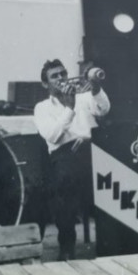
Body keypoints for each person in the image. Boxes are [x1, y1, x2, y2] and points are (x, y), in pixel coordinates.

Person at [33, 60, 110, 260]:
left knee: (117, 173)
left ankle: (128, 240)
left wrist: (96, 88)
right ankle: (66, 245)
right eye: (54, 76)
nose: (61, 79)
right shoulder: (41, 108)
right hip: (64, 156)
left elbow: (104, 109)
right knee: (64, 182)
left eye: (63, 74)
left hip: (91, 151)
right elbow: (52, 136)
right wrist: (69, 108)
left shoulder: (84, 97)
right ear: (45, 84)